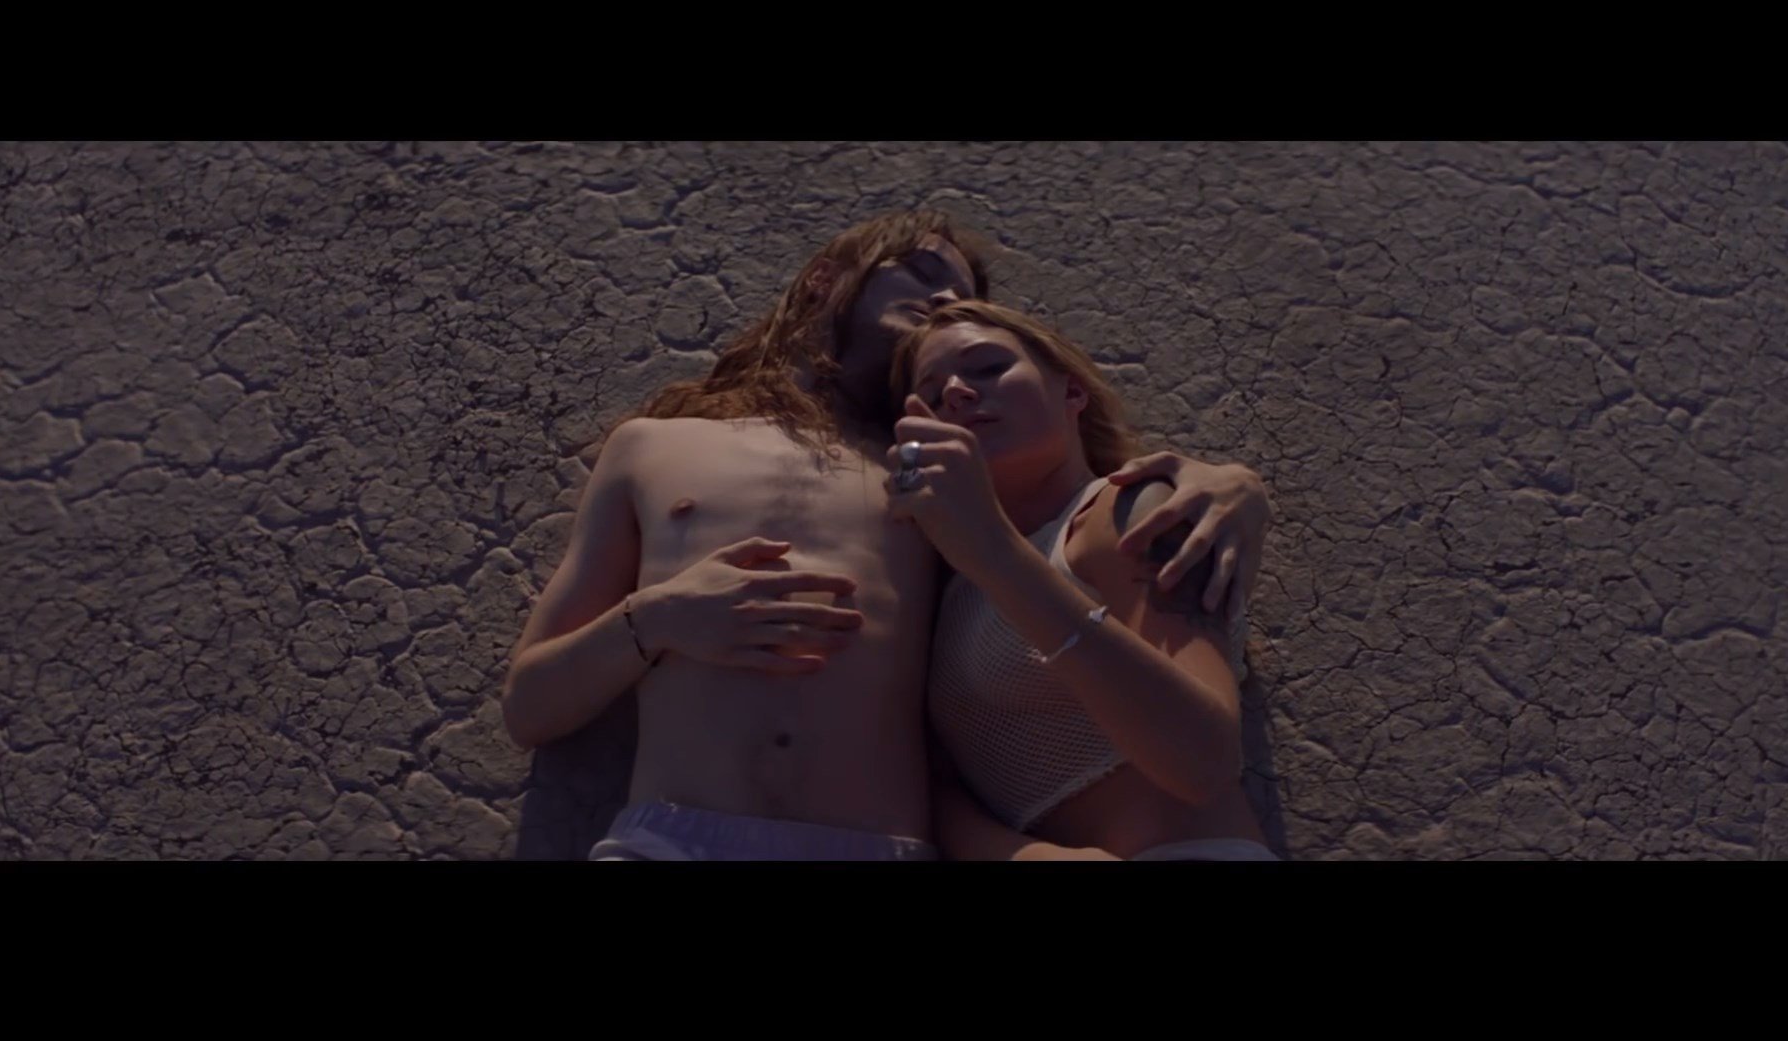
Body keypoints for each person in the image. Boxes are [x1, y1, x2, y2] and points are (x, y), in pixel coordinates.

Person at [500, 210, 1275, 861]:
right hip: (675, 839)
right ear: (823, 281)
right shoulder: (651, 447)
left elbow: (1063, 542)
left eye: (966, 298)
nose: (946, 299)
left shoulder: (946, 482)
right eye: (923, 272)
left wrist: (1232, 484)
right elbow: (530, 709)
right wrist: (660, 617)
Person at [888, 299, 1275, 861]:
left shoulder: (1130, 512)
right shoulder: (951, 584)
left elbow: (1203, 762)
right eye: (932, 390)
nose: (956, 392)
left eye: (989, 367)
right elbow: (935, 789)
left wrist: (997, 554)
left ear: (1072, 392)